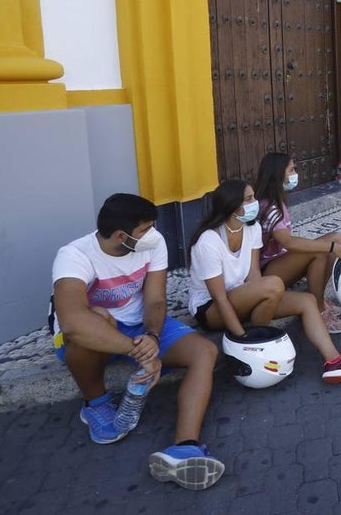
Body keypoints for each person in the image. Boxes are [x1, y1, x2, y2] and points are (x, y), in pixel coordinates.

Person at [49, 193, 224, 490]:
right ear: (121, 236)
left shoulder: (153, 245)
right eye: (145, 229)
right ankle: (95, 404)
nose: (153, 234)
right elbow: (73, 323)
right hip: (91, 335)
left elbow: (155, 299)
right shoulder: (74, 255)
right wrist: (139, 352)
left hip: (139, 326)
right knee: (96, 318)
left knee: (204, 351)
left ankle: (184, 447)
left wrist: (153, 337)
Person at [188, 179, 341, 382]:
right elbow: (220, 299)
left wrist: (262, 299)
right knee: (274, 284)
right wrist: (242, 340)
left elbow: (253, 275)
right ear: (232, 206)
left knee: (307, 301)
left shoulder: (251, 229)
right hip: (212, 309)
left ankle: (334, 362)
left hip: (240, 297)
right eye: (249, 199)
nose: (254, 203)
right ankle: (252, 342)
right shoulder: (208, 241)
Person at [253, 152, 341, 334]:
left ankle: (319, 300)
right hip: (266, 273)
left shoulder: (278, 200)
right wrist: (330, 247)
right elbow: (288, 242)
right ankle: (319, 312)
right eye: (291, 170)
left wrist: (333, 245)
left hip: (280, 262)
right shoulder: (269, 207)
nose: (295, 173)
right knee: (320, 251)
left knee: (337, 238)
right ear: (278, 174)